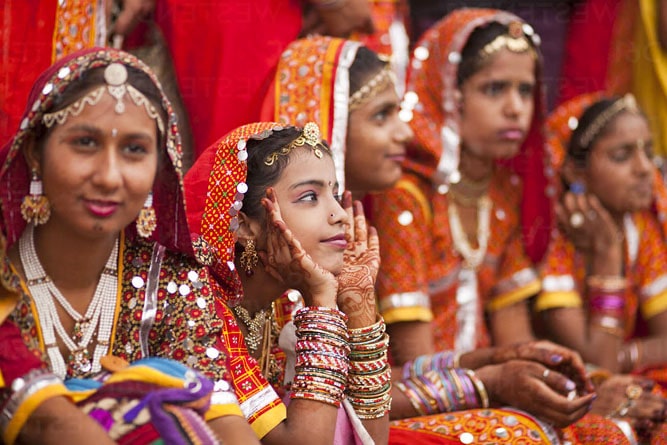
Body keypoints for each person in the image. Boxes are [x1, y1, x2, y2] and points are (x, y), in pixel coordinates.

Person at [0, 47, 259, 444]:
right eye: (85, 142)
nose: (109, 176)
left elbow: (220, 415)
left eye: (135, 150)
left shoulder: (172, 275)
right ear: (35, 151)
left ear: (160, 165)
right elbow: (44, 422)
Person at [184, 121, 391, 444]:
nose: (339, 214)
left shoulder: (283, 302)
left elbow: (372, 439)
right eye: (310, 197)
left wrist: (358, 302)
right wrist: (322, 301)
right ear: (243, 226)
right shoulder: (201, 312)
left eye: (334, 194)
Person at [537, 93, 667, 441]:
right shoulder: (553, 240)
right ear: (575, 170)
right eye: (622, 155)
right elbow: (597, 362)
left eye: (647, 150)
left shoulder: (639, 227)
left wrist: (627, 354)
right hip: (568, 398)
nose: (644, 168)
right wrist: (608, 256)